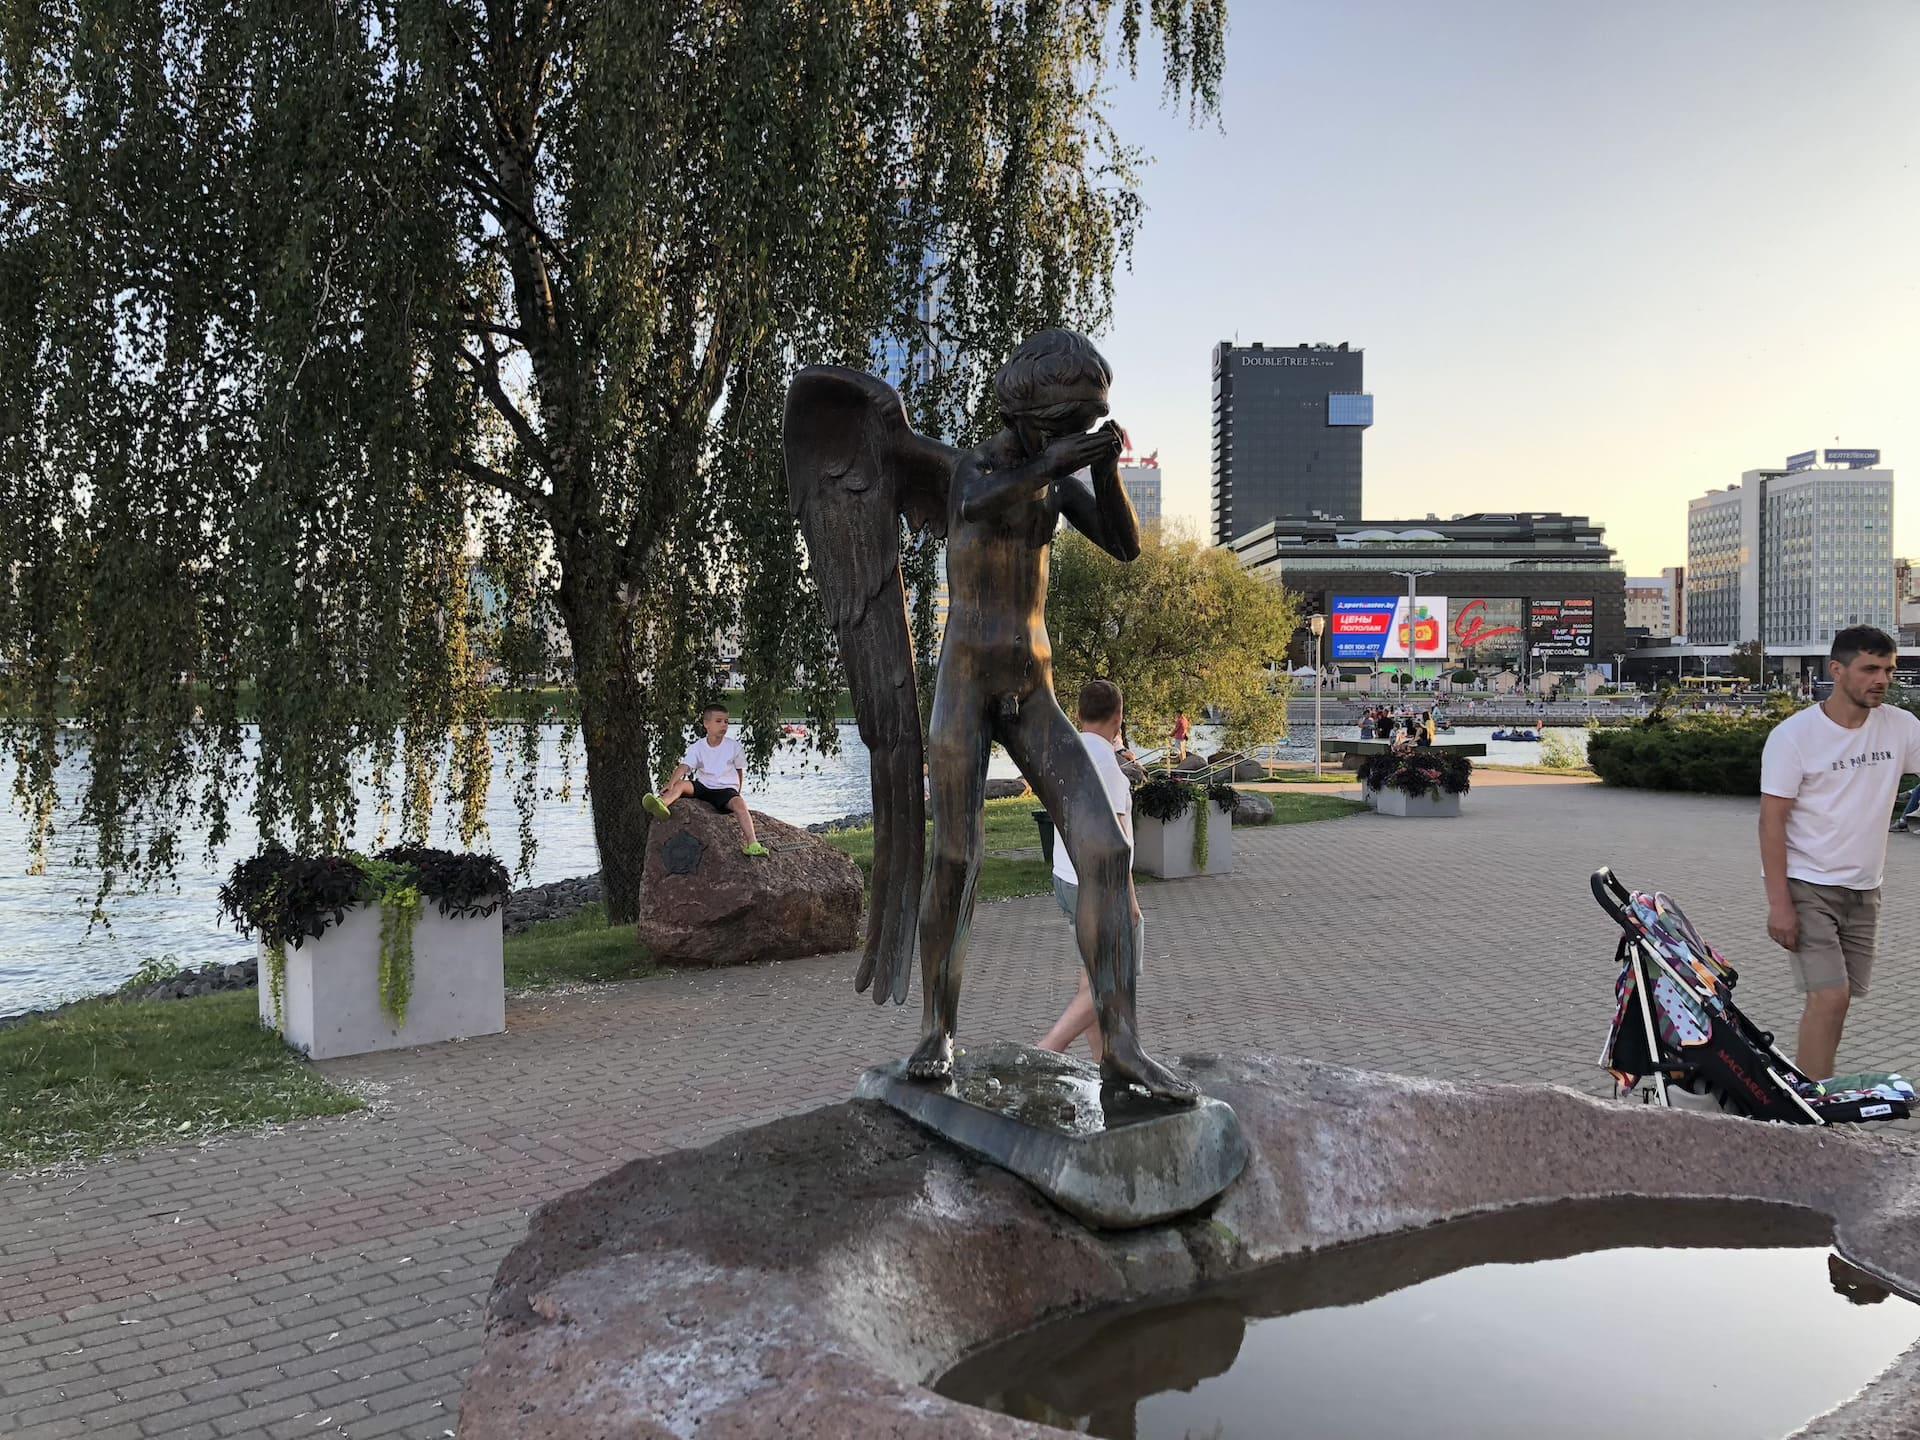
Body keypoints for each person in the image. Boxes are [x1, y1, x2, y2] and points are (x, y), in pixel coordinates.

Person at [1759, 626, 1920, 1080]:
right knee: (1829, 996)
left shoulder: (1901, 727)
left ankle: (1815, 1089)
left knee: (1840, 1000)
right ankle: (1808, 1113)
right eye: (1870, 669)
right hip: (1809, 886)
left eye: (1889, 670)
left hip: (1866, 890)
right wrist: (1780, 905)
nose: (1882, 680)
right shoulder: (1794, 737)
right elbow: (1771, 823)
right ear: (1837, 670)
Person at [1038, 679, 1142, 1062]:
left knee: (1090, 975)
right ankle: (1048, 1050)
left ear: (1078, 715)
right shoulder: (1109, 771)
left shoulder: (1065, 754)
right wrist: (1129, 899)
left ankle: (1104, 1065)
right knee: (1104, 984)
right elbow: (1113, 844)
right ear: (1119, 716)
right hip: (1098, 888)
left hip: (1065, 877)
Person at [643, 703, 769, 857]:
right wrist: (671, 783)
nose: (724, 725)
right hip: (703, 786)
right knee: (681, 784)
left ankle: (752, 843)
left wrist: (737, 792)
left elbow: (739, 771)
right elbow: (684, 766)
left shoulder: (733, 747)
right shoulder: (698, 747)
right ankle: (662, 804)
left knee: (740, 805)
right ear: (706, 724)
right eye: (718, 721)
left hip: (725, 790)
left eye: (726, 721)